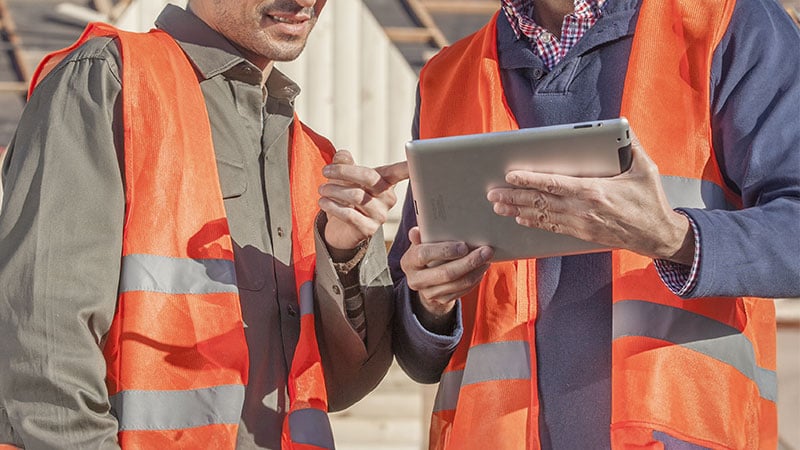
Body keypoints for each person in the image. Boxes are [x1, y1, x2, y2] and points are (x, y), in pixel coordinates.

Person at [389, 0, 800, 448]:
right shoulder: (447, 78)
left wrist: (674, 238)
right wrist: (431, 306)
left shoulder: (729, 24)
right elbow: (417, 351)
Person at [0, 0, 410, 448]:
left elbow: (342, 387)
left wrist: (344, 259)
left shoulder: (317, 161)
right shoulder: (110, 82)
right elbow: (43, 343)